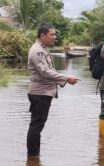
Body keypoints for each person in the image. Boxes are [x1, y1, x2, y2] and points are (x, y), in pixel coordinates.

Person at [27, 22, 79, 156]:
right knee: (36, 126)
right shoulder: (38, 50)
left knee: (37, 125)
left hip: (43, 92)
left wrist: (64, 79)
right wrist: (66, 78)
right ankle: (33, 157)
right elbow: (46, 72)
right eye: (52, 34)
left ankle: (33, 160)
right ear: (43, 35)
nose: (54, 37)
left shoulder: (43, 48)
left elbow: (48, 71)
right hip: (40, 93)